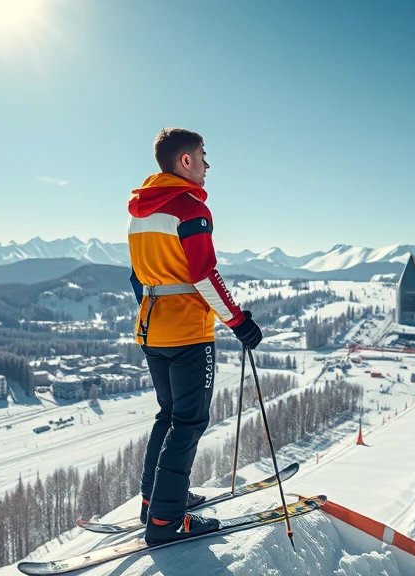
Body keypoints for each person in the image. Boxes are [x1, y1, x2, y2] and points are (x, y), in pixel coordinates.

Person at [128, 128, 263, 545]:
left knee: (168, 416)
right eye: (203, 156)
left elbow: (137, 276)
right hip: (188, 332)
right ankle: (167, 522)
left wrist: (157, 308)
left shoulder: (140, 211)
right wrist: (239, 322)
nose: (207, 165)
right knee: (188, 423)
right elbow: (204, 274)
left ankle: (155, 502)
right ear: (185, 161)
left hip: (152, 328)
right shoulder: (190, 209)